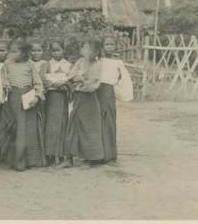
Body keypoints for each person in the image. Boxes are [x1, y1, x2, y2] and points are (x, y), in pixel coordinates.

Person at [0, 40, 46, 171]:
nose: (11, 54)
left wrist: (37, 96)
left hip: (27, 99)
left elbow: (38, 82)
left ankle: (28, 161)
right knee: (14, 129)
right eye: (11, 51)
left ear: (24, 53)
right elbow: (2, 77)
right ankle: (13, 161)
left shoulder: (30, 65)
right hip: (12, 98)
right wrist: (5, 83)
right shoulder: (7, 64)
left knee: (26, 130)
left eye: (15, 51)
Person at [64, 37, 104, 168]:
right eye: (84, 48)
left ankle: (91, 158)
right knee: (73, 124)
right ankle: (69, 157)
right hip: (78, 97)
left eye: (87, 48)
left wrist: (81, 80)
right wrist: (78, 79)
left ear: (96, 52)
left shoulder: (98, 64)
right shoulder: (80, 61)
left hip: (90, 99)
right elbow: (71, 75)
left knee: (89, 127)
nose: (84, 50)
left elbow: (93, 83)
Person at [98, 34, 133, 163]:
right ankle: (98, 153)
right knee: (98, 120)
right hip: (97, 91)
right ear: (102, 46)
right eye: (106, 44)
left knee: (109, 121)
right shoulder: (98, 61)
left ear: (115, 46)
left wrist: (117, 89)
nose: (109, 47)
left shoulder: (118, 62)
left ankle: (109, 154)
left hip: (108, 92)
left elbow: (123, 78)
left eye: (111, 44)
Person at [43, 38, 71, 166]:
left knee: (62, 125)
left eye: (58, 50)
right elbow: (43, 79)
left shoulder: (68, 65)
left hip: (62, 97)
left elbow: (71, 80)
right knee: (50, 125)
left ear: (63, 50)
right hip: (51, 97)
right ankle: (49, 154)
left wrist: (65, 83)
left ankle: (61, 154)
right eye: (53, 51)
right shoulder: (47, 64)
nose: (56, 53)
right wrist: (53, 83)